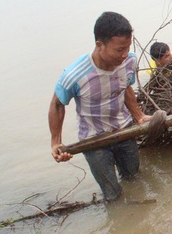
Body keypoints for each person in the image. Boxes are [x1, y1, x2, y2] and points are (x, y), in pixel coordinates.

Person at [48, 11, 150, 201]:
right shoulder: (75, 74)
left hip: (124, 131)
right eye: (119, 49)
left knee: (134, 178)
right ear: (99, 45)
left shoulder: (129, 61)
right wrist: (56, 141)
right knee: (112, 194)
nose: (124, 54)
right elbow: (57, 104)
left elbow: (126, 87)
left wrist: (139, 117)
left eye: (127, 47)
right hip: (94, 141)